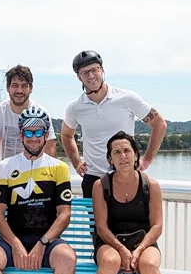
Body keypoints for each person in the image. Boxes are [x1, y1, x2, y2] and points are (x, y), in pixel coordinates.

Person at [0, 106, 77, 274]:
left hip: (46, 240)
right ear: (21, 134)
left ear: (45, 135)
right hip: (14, 239)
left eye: (39, 132)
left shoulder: (59, 167)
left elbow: (64, 214)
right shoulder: (5, 166)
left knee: (67, 258)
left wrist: (42, 243)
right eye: (29, 132)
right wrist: (14, 243)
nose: (34, 138)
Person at [0, 65, 57, 274]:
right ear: (7, 88)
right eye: (15, 85)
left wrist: (45, 183)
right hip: (7, 178)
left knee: (36, 228)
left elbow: (51, 149)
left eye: (24, 86)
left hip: (36, 178)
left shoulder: (40, 112)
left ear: (31, 88)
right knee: (9, 234)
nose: (19, 90)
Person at [61, 50, 167, 197]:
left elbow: (160, 124)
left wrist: (147, 160)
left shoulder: (126, 98)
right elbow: (66, 135)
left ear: (102, 69)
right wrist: (76, 163)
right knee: (96, 221)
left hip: (126, 175)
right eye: (85, 72)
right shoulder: (75, 108)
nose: (91, 76)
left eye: (94, 70)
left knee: (128, 220)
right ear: (79, 77)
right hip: (93, 177)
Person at [90, 131, 170, 274]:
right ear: (110, 158)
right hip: (110, 240)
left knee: (149, 265)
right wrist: (121, 249)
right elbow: (101, 227)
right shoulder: (100, 186)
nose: (122, 156)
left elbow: (157, 226)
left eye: (127, 150)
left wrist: (140, 248)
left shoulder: (151, 186)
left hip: (143, 241)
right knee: (110, 262)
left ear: (135, 154)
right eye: (116, 152)